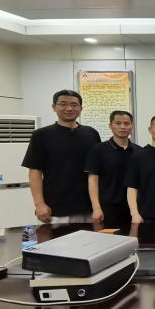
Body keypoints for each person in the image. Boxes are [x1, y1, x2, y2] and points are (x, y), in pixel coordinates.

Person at [22, 89, 101, 223]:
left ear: (81, 108)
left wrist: (98, 205)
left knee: (91, 237)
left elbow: (97, 170)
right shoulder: (41, 135)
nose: (69, 108)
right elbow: (35, 171)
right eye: (63, 104)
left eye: (74, 105)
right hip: (56, 208)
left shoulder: (91, 133)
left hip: (90, 207)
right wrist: (39, 204)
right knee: (57, 237)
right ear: (54, 107)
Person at [85, 110, 139, 228]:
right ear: (110, 126)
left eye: (126, 123)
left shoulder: (139, 151)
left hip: (134, 209)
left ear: (132, 126)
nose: (122, 127)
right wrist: (96, 208)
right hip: (108, 208)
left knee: (134, 238)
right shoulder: (98, 150)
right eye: (118, 123)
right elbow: (93, 180)